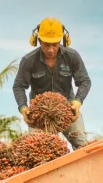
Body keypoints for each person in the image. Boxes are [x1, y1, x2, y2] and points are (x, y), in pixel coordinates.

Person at [12, 17, 91, 150]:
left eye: (55, 44)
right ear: (38, 40)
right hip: (39, 113)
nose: (50, 49)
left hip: (67, 109)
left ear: (62, 40)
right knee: (36, 149)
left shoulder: (72, 56)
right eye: (46, 44)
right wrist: (23, 108)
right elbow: (19, 86)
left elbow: (84, 81)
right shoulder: (29, 60)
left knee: (82, 145)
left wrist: (77, 102)